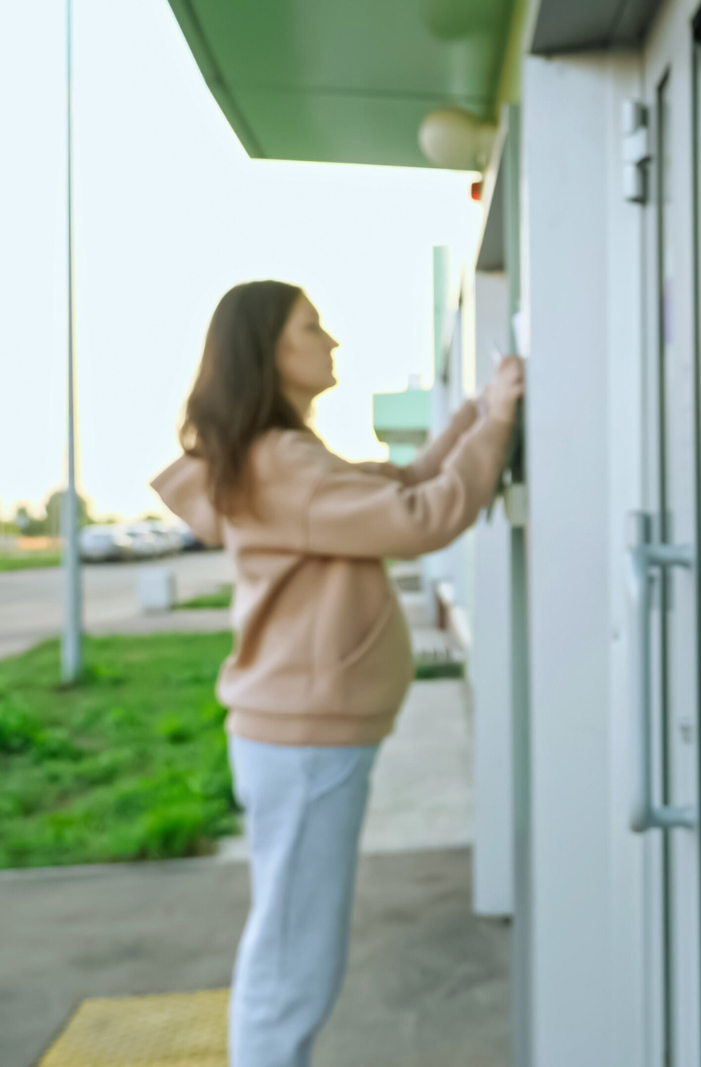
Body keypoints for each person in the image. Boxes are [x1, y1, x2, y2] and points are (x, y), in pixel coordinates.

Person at [152, 280, 522, 1066]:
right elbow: (424, 518)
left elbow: (404, 483)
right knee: (293, 965)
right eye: (312, 328)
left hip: (296, 738)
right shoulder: (281, 460)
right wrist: (494, 422)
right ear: (269, 353)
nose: (332, 342)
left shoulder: (284, 458)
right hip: (303, 741)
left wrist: (476, 417)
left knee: (291, 948)